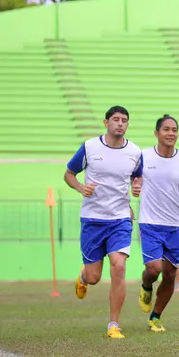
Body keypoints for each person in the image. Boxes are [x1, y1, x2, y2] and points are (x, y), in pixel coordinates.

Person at [65, 105, 143, 339]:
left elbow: (137, 176)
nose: (120, 123)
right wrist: (80, 188)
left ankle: (113, 325)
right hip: (93, 219)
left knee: (119, 266)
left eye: (124, 120)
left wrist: (136, 186)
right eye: (116, 119)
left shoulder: (135, 152)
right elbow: (69, 174)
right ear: (106, 122)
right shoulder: (90, 147)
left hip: (119, 219)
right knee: (94, 277)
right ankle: (83, 276)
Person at [136, 115, 179, 332]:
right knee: (154, 269)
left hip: (174, 225)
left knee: (171, 274)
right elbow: (130, 178)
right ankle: (146, 285)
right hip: (149, 223)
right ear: (157, 133)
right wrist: (134, 187)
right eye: (166, 129)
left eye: (174, 129)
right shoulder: (142, 157)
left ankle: (155, 316)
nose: (171, 133)